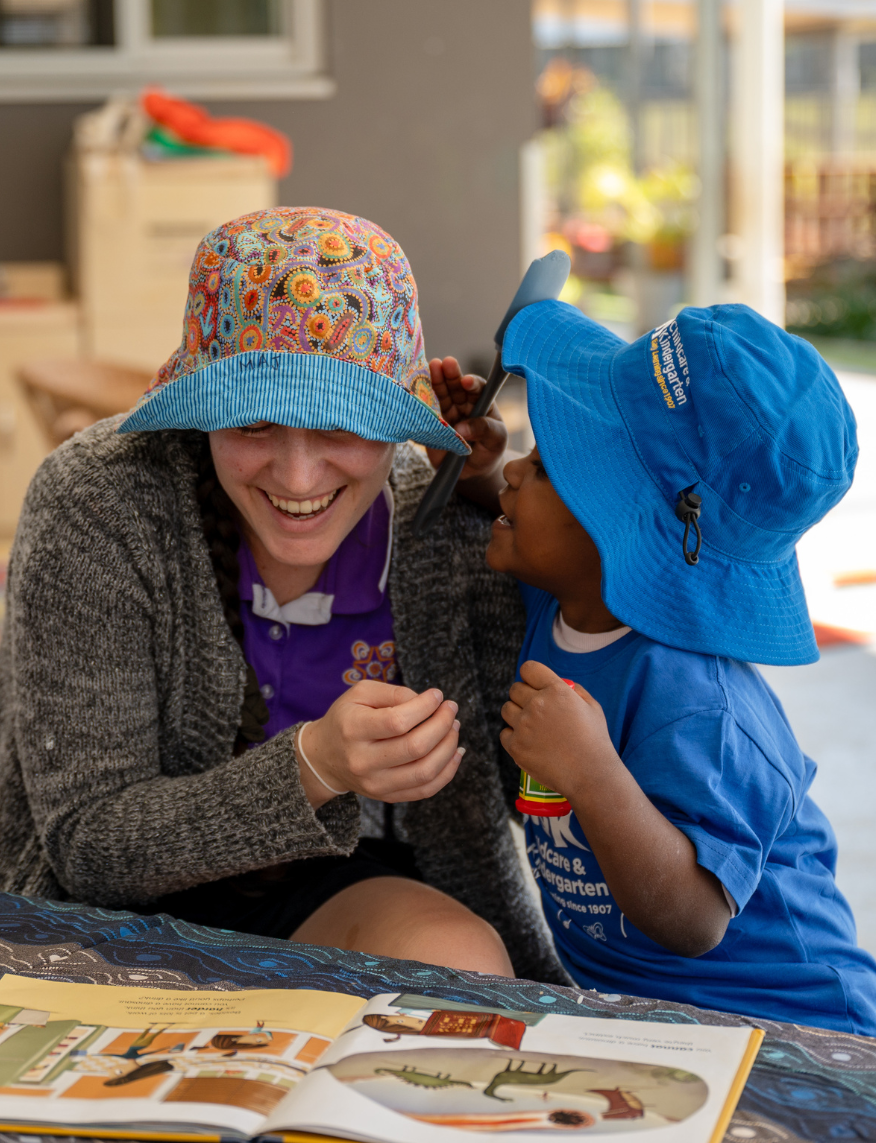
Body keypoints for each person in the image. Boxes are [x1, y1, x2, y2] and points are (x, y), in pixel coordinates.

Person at [0, 206, 563, 983]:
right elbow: (89, 846)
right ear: (202, 413)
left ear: (397, 424)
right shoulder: (97, 502)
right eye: (253, 424)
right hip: (104, 911)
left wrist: (501, 510)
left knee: (461, 967)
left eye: (338, 426)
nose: (297, 479)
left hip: (341, 883)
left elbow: (526, 786)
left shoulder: (447, 519)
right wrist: (316, 763)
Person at [465, 298, 876, 1034]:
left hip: (787, 1029)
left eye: (552, 466)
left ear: (629, 530)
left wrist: (592, 774)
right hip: (647, 1019)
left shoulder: (701, 704)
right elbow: (548, 536)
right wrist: (480, 472)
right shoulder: (570, 596)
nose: (519, 471)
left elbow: (693, 920)